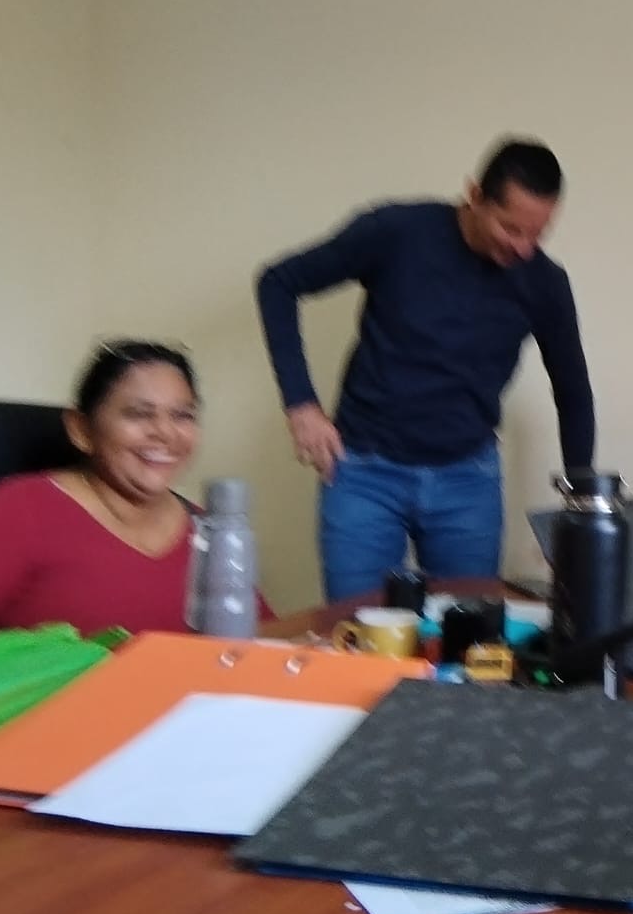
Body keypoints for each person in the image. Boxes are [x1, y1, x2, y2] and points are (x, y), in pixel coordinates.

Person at [255, 137, 595, 601]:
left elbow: (573, 392)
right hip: (365, 476)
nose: (523, 248)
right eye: (511, 229)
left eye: (537, 234)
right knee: (356, 631)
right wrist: (300, 403)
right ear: (474, 195)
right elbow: (278, 283)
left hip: (467, 481)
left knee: (470, 633)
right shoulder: (396, 232)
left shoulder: (545, 283)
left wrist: (580, 506)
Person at [0, 340, 212, 638]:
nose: (165, 432)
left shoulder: (208, 529)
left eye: (182, 416)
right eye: (138, 414)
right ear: (81, 430)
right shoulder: (17, 513)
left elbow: (242, 639)